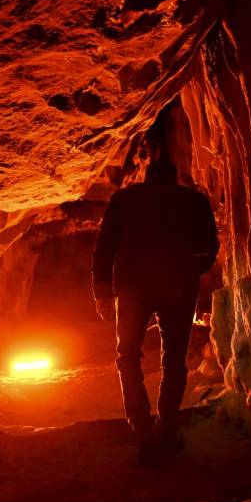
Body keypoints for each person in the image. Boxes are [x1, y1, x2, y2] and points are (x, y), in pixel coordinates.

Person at [92, 155, 219, 459]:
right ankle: (167, 429)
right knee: (174, 360)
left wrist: (102, 292)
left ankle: (142, 429)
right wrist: (193, 270)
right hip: (178, 286)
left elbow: (105, 248)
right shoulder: (193, 201)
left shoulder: (124, 199)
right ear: (173, 177)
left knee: (128, 357)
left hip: (133, 288)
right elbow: (210, 245)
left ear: (147, 177)